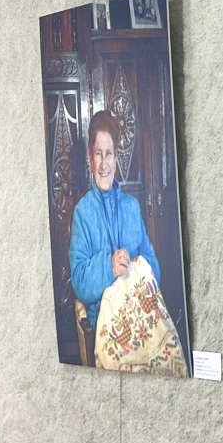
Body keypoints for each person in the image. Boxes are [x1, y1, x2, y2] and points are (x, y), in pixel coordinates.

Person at [69, 109, 160, 333]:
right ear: (90, 158)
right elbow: (79, 280)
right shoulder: (82, 212)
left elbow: (154, 268)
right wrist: (109, 266)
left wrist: (137, 265)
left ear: (116, 158)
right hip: (104, 325)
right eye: (98, 154)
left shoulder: (132, 207)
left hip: (139, 316)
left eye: (108, 154)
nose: (103, 164)